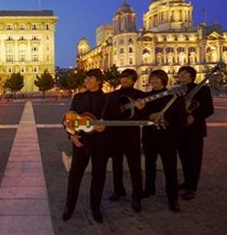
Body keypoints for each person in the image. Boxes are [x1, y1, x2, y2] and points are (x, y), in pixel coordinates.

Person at [62, 69, 109, 223]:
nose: (86, 81)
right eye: (86, 79)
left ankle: (95, 208)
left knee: (98, 177)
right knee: (74, 176)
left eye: (90, 78)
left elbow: (115, 122)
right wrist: (72, 135)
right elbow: (69, 119)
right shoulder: (78, 97)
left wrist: (106, 127)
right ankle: (69, 206)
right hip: (80, 142)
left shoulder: (107, 99)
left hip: (101, 144)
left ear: (99, 80)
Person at [141, 70, 186, 212]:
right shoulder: (146, 97)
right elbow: (140, 115)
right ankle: (149, 189)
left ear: (163, 80)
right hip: (150, 136)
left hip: (168, 137)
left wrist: (166, 120)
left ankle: (172, 198)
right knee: (149, 163)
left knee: (170, 167)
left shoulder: (174, 96)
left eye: (156, 78)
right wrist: (148, 114)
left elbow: (181, 117)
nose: (153, 81)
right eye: (152, 78)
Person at [106, 69, 146, 213]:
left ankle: (136, 196)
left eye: (128, 78)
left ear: (134, 80)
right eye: (123, 77)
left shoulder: (140, 96)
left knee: (134, 166)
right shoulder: (113, 95)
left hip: (132, 135)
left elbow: (145, 115)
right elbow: (107, 114)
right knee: (116, 164)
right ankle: (118, 190)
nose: (124, 80)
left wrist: (141, 109)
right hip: (115, 135)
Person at [177, 65, 214, 201]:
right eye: (180, 72)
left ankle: (192, 187)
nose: (181, 74)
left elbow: (209, 109)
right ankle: (187, 182)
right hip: (180, 129)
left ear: (191, 75)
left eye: (185, 73)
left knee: (194, 158)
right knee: (184, 158)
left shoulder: (203, 89)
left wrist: (195, 116)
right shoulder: (176, 90)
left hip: (195, 130)